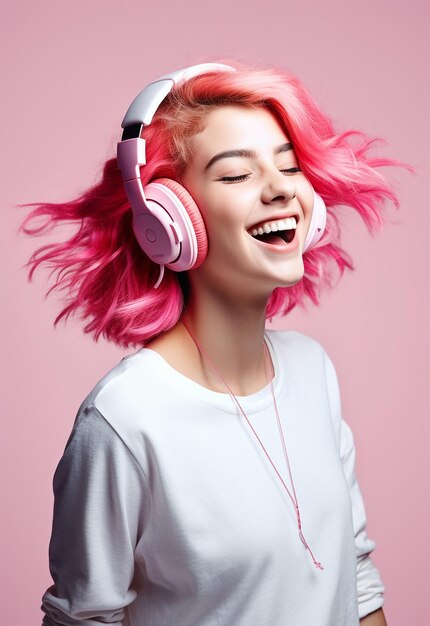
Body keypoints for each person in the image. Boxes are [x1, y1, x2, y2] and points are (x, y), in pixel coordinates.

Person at [20, 60, 403, 625]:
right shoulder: (125, 419)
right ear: (168, 223)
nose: (280, 190)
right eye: (235, 175)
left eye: (290, 167)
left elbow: (357, 579)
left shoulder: (312, 370)